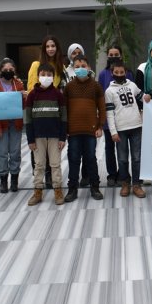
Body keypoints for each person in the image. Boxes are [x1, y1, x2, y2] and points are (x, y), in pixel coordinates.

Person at [64, 54, 106, 202]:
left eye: (83, 66)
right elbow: (64, 110)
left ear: (89, 68)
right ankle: (72, 189)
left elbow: (102, 108)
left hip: (90, 130)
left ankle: (95, 187)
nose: (80, 68)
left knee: (91, 159)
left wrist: (100, 125)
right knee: (73, 159)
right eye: (77, 67)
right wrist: (65, 128)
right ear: (73, 69)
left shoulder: (96, 86)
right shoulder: (69, 87)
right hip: (73, 131)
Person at [27, 35, 67, 188]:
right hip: (38, 108)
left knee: (53, 150)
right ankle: (38, 179)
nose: (50, 49)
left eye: (53, 46)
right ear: (44, 49)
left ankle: (51, 176)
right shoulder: (36, 65)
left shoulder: (60, 67)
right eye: (48, 46)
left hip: (53, 108)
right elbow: (31, 87)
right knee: (38, 149)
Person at [25, 63, 67, 206]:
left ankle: (58, 190)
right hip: (38, 137)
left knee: (55, 164)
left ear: (53, 77)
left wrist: (62, 137)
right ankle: (37, 191)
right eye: (43, 74)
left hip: (55, 136)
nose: (46, 77)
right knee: (39, 164)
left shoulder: (58, 94)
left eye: (49, 75)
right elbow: (28, 119)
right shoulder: (32, 95)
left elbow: (63, 117)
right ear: (38, 76)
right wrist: (30, 139)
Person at [105, 60, 146, 198]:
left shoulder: (132, 85)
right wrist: (113, 131)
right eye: (116, 72)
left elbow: (142, 97)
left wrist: (148, 97)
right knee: (122, 159)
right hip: (121, 129)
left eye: (121, 72)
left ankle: (136, 184)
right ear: (112, 73)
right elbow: (109, 113)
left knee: (137, 158)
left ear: (126, 72)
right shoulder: (109, 91)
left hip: (136, 126)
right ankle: (125, 183)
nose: (119, 74)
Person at [98, 45, 133, 187]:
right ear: (107, 56)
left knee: (123, 148)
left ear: (121, 55)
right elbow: (100, 96)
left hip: (124, 117)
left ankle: (123, 174)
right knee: (109, 148)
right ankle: (111, 174)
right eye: (111, 54)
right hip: (109, 117)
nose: (113, 57)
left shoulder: (128, 73)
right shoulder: (103, 74)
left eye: (116, 54)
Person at [0, 58, 25, 193]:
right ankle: (3, 179)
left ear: (14, 70)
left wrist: (24, 97)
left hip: (15, 123)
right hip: (1, 123)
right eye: (6, 70)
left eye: (11, 69)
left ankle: (14, 178)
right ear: (1, 71)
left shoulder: (19, 84)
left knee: (15, 152)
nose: (8, 71)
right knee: (2, 153)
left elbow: (22, 106)